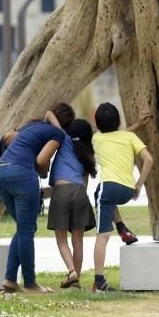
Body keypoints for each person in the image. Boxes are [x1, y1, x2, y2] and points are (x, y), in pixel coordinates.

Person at [0, 110, 64, 294]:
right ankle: (30, 284)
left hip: (0, 173)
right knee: (26, 230)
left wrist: (48, 114)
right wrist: (44, 172)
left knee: (24, 228)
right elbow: (42, 160)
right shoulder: (56, 133)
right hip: (22, 174)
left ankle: (9, 279)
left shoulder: (26, 129)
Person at [91, 102, 153, 293]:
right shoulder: (130, 137)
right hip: (127, 190)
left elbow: (113, 136)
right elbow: (149, 160)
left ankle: (99, 282)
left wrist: (135, 125)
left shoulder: (97, 139)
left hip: (108, 188)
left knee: (102, 235)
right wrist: (138, 185)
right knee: (102, 198)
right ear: (118, 120)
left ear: (97, 124)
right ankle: (122, 228)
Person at [43, 104, 95, 290]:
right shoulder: (88, 153)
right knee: (78, 240)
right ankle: (76, 281)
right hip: (80, 193)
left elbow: (49, 113)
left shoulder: (64, 138)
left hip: (62, 191)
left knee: (61, 239)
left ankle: (71, 271)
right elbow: (85, 182)